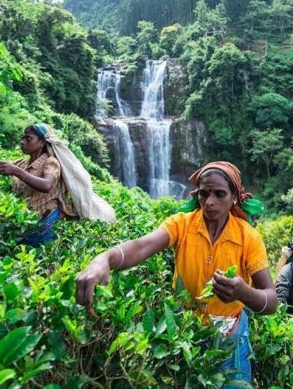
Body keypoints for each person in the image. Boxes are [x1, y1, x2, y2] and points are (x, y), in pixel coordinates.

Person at [75, 161, 276, 385]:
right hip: (184, 332)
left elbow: (271, 300)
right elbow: (142, 246)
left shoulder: (248, 237)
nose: (209, 202)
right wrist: (104, 259)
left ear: (235, 198)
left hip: (231, 335)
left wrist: (243, 292)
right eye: (204, 194)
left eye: (219, 194)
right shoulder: (182, 224)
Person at [0, 123, 114, 246]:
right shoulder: (21, 163)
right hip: (25, 221)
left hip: (45, 221)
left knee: (40, 263)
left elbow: (47, 184)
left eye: (28, 139)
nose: (22, 142)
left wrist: (16, 172)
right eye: (23, 138)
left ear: (41, 143)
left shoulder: (51, 163)